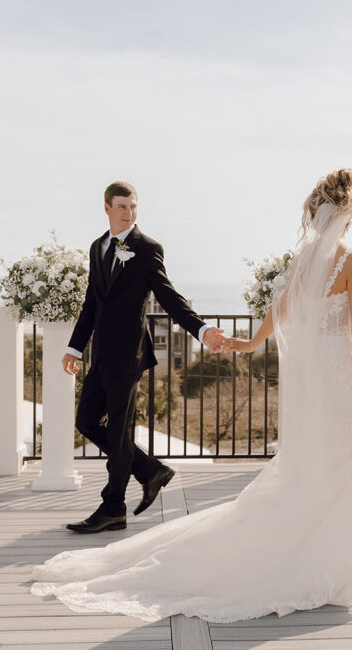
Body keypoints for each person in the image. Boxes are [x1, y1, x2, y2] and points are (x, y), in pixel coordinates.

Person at [31, 169, 352, 623]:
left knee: (327, 465)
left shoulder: (304, 261)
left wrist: (251, 342)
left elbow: (280, 309)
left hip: (317, 383)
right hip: (341, 379)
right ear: (348, 214)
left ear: (315, 213)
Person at [59, 181, 226, 533]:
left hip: (128, 355)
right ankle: (149, 470)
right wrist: (75, 347)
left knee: (119, 430)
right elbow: (92, 302)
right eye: (122, 206)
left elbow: (168, 296)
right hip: (100, 354)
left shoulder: (147, 248)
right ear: (107, 208)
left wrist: (201, 330)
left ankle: (113, 508)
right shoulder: (97, 247)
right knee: (87, 421)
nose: (129, 212)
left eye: (133, 206)